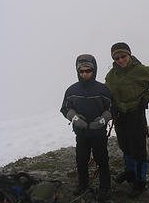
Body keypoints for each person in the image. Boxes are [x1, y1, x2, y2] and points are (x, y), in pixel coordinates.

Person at [105, 42, 149, 197]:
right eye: (117, 58)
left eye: (123, 56)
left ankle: (140, 181)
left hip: (136, 113)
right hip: (119, 115)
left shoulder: (141, 70)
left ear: (129, 54)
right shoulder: (111, 75)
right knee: (125, 145)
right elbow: (107, 93)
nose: (121, 60)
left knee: (138, 148)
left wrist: (148, 96)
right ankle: (130, 172)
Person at [60, 54, 114, 203]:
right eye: (81, 71)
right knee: (81, 160)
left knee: (102, 160)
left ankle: (105, 187)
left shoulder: (102, 89)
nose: (84, 74)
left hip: (99, 133)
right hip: (81, 133)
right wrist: (74, 118)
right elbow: (65, 108)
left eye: (88, 70)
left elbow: (112, 108)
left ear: (94, 70)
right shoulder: (71, 90)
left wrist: (103, 119)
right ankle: (83, 184)